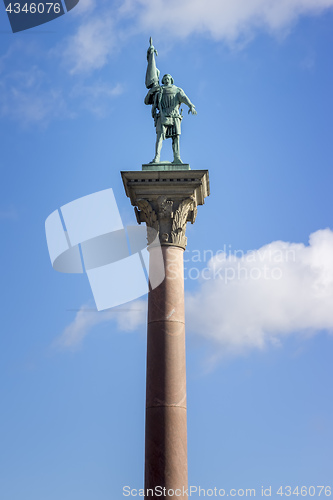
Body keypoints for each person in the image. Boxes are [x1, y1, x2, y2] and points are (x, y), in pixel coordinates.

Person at [144, 73, 197, 164]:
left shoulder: (177, 90)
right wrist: (151, 91)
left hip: (175, 115)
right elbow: (147, 101)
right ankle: (157, 157)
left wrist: (190, 105)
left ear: (171, 79)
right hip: (163, 115)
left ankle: (177, 157)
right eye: (165, 78)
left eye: (168, 78)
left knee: (176, 137)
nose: (166, 79)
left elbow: (184, 97)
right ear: (163, 81)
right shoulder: (159, 90)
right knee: (159, 136)